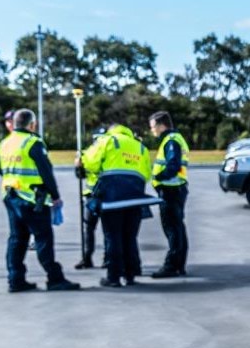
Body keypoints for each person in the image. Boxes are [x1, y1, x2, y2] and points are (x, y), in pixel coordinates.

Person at [0, 109, 80, 293]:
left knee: (17, 239)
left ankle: (15, 280)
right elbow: (46, 171)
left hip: (10, 196)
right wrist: (55, 195)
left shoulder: (5, 143)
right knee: (43, 238)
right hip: (32, 198)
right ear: (32, 124)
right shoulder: (33, 142)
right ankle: (54, 278)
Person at [79, 120, 150, 287]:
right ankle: (130, 275)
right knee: (130, 237)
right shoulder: (140, 147)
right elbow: (146, 174)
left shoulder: (108, 141)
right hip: (135, 197)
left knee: (113, 236)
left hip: (113, 197)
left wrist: (80, 158)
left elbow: (90, 163)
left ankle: (114, 277)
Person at [148, 111, 189, 277]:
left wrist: (158, 176)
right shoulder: (174, 138)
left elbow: (173, 165)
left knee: (172, 229)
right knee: (178, 228)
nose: (152, 131)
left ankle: (171, 266)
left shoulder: (171, 141)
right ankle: (179, 264)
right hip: (176, 189)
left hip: (170, 190)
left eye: (152, 127)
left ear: (160, 125)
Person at [73, 126, 108, 270]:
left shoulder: (110, 154)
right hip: (91, 196)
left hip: (106, 195)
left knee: (108, 229)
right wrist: (78, 166)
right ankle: (87, 257)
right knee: (88, 228)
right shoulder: (87, 154)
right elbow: (80, 176)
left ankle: (108, 258)